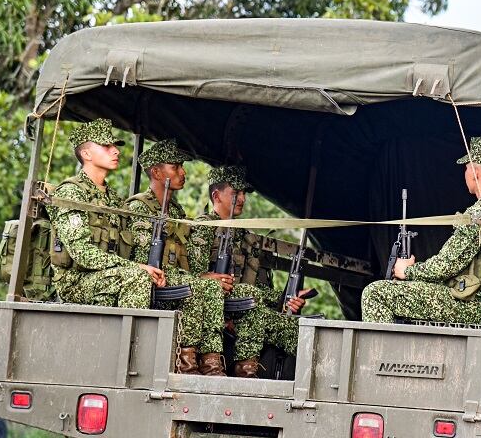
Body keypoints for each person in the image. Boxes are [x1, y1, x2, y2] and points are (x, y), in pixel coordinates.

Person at [361, 136, 481, 325]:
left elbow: (445, 266)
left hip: (473, 306)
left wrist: (408, 271)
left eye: (466, 167)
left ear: (475, 173)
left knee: (376, 294)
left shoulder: (480, 215)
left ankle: (377, 355)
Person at [188, 165, 304, 378]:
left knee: (298, 329)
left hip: (246, 307)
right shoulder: (204, 228)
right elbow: (190, 275)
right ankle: (241, 370)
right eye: (235, 193)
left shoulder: (244, 236)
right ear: (216, 196)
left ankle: (249, 373)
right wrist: (208, 279)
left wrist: (285, 300)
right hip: (213, 308)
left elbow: (257, 288)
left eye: (243, 193)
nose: (242, 199)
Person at [125, 140, 227, 376]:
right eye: (176, 166)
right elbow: (142, 256)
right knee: (194, 288)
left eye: (182, 166)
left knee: (210, 288)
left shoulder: (177, 212)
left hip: (174, 275)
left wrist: (203, 275)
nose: (183, 172)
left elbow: (185, 255)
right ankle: (185, 363)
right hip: (151, 275)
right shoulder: (140, 207)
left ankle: (211, 363)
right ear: (157, 172)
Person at [50, 119, 164, 312]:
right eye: (106, 146)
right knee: (137, 276)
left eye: (115, 146)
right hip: (75, 282)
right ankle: (129, 342)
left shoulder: (114, 198)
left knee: (151, 277)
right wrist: (137, 268)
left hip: (108, 275)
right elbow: (82, 254)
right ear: (86, 154)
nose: (116, 151)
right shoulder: (71, 192)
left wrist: (150, 268)